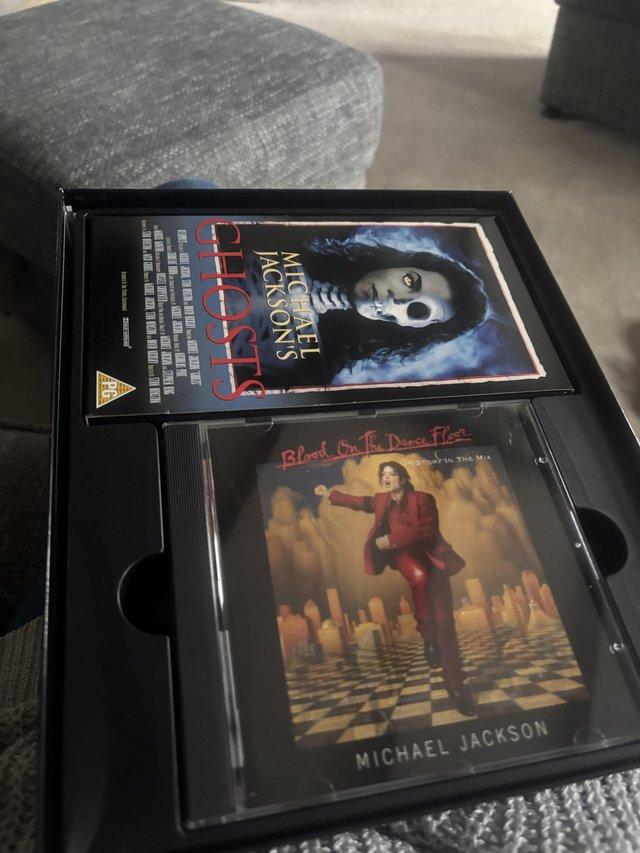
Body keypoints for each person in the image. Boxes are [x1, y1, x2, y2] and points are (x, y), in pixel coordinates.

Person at [315, 461, 475, 717]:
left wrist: (389, 539)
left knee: (446, 622)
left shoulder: (424, 498)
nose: (387, 478)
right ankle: (428, 636)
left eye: (392, 474)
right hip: (405, 556)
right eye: (383, 475)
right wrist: (328, 494)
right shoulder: (381, 500)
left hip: (432, 557)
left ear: (403, 477)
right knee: (419, 577)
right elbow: (358, 502)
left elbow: (426, 531)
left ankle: (455, 684)